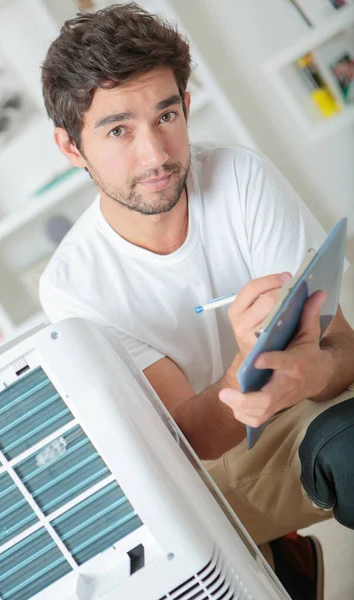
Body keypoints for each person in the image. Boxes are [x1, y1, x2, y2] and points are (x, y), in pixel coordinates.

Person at [39, 4, 354, 599]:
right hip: (211, 478)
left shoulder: (241, 179)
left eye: (167, 115)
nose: (156, 155)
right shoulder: (72, 284)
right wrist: (244, 372)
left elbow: (342, 348)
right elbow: (193, 439)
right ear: (71, 146)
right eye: (117, 130)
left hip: (311, 417)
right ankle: (276, 553)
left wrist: (318, 366)